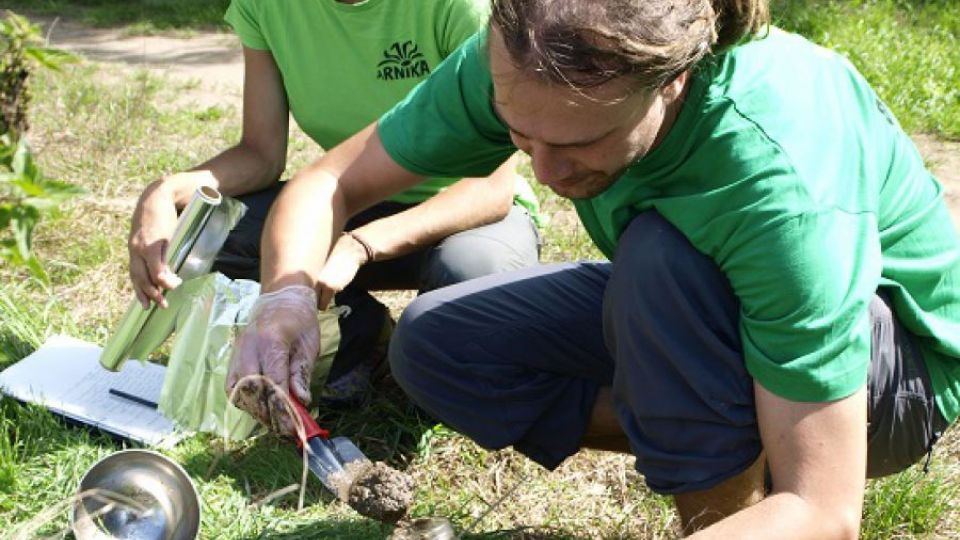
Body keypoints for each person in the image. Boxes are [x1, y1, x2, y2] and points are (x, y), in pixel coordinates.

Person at [227, 0, 960, 536]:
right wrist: (285, 296)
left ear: (671, 83)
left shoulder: (777, 181)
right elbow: (329, 181)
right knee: (439, 347)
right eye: (520, 136)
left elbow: (824, 510)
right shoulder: (525, 53)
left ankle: (714, 492)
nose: (544, 172)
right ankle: (710, 426)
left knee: (661, 255)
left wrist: (759, 466)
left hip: (891, 383)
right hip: (723, 302)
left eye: (581, 143)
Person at [126, 0, 541, 416]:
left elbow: (490, 190)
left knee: (475, 276)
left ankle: (424, 359)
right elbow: (260, 154)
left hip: (463, 218)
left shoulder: (458, 7)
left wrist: (361, 244)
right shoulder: (264, 7)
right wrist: (163, 192)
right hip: (349, 199)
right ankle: (358, 338)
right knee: (207, 229)